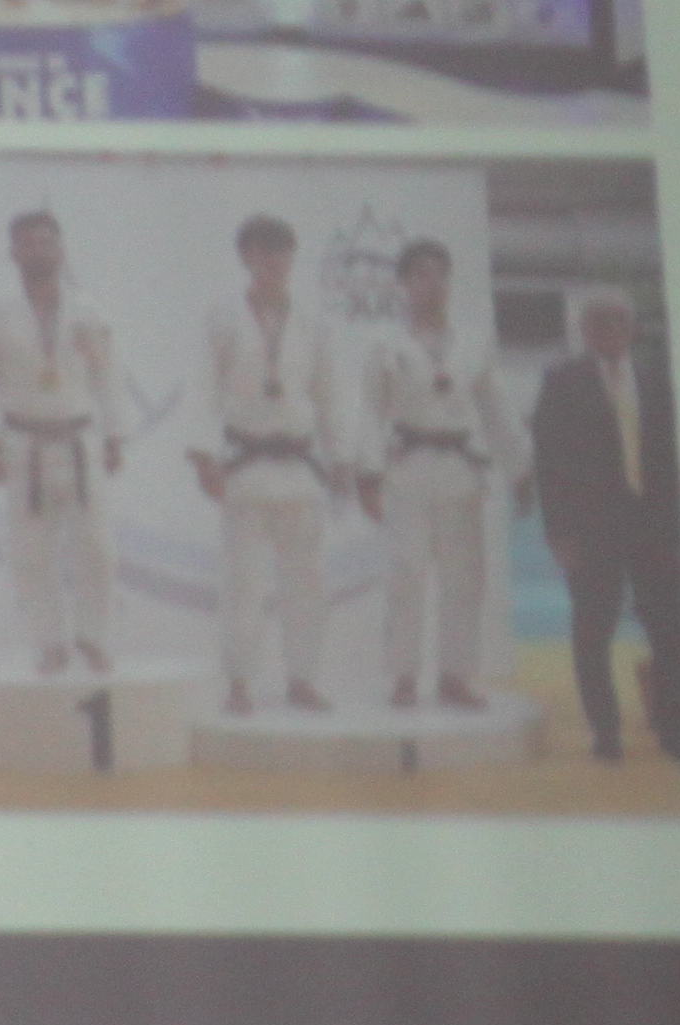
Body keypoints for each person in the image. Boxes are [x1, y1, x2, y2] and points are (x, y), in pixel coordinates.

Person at [531, 288, 680, 767]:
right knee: (593, 632)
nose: (612, 329)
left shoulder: (657, 379)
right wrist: (559, 533)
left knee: (672, 631)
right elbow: (549, 462)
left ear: (633, 328)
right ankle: (606, 735)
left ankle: (674, 732)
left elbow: (675, 456)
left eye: (621, 320)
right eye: (601, 321)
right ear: (585, 329)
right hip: (592, 530)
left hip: (656, 526)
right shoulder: (561, 382)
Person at [360, 237, 522, 715]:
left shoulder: (473, 341)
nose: (433, 284)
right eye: (422, 275)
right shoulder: (385, 343)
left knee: (465, 577)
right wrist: (367, 474)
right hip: (407, 469)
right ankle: (404, 676)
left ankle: (456, 676)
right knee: (406, 572)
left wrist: (519, 469)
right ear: (404, 283)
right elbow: (370, 411)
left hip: (459, 469)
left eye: (441, 275)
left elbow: (497, 411)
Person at [191, 212, 339, 719]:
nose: (274, 260)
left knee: (308, 584)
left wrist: (342, 456)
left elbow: (330, 393)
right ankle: (239, 683)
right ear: (246, 258)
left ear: (292, 258)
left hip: (299, 465)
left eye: (282, 251)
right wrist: (204, 457)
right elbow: (204, 389)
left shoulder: (313, 321)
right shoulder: (223, 317)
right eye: (262, 251)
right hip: (245, 464)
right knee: (244, 585)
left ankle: (303, 679)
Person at [0, 209, 127, 678]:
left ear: (61, 250)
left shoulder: (88, 311)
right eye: (29, 244)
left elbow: (107, 375)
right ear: (14, 252)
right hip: (23, 444)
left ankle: (94, 637)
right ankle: (48, 644)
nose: (39, 251)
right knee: (31, 552)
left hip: (79, 440)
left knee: (97, 548)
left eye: (48, 243)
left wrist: (115, 435)